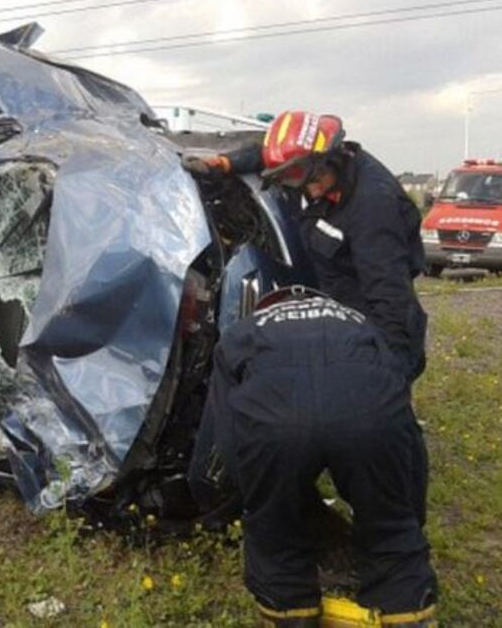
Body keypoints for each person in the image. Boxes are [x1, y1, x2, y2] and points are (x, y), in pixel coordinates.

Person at [190, 286, 437, 627]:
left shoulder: (240, 333)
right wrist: (405, 512)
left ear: (266, 307)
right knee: (389, 528)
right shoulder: (360, 323)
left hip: (273, 422)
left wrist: (255, 496)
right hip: (369, 414)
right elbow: (403, 421)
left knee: (275, 533)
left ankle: (290, 614)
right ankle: (409, 616)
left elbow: (225, 431)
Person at [182, 111, 427, 381]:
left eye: (312, 181)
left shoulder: (372, 207)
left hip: (366, 308)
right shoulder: (310, 162)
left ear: (328, 159)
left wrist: (389, 371)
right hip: (331, 300)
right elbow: (266, 154)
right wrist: (224, 163)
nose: (310, 192)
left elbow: (388, 293)